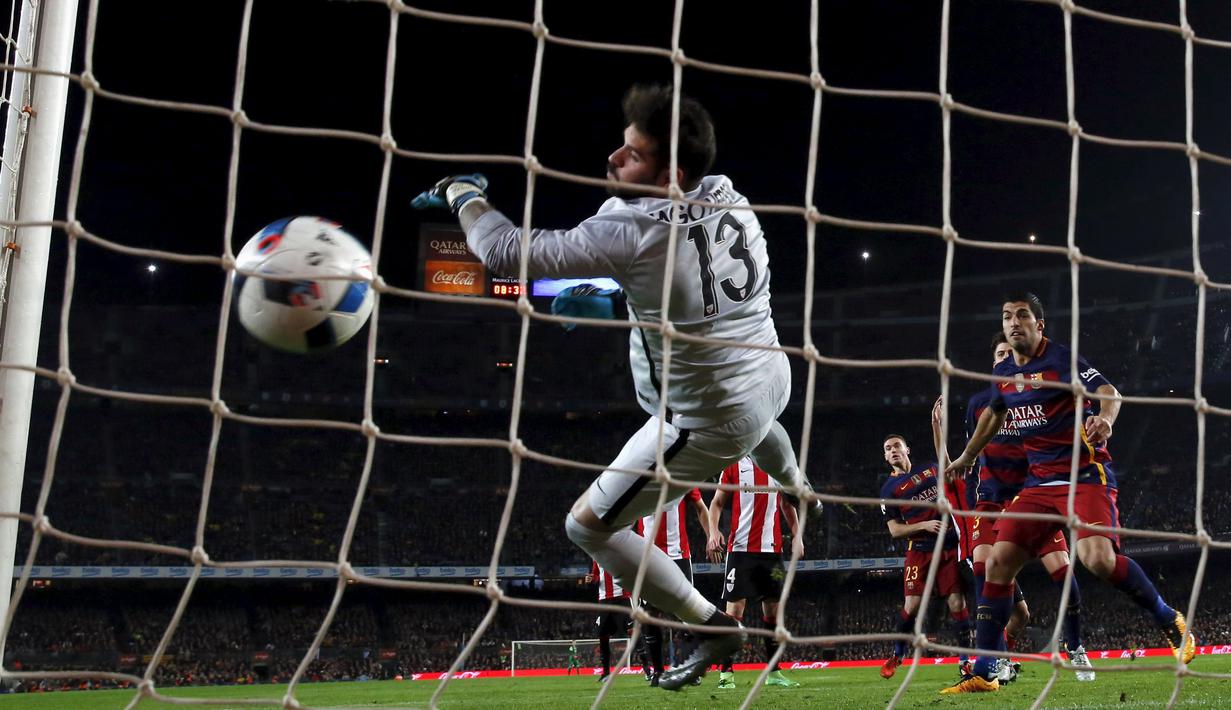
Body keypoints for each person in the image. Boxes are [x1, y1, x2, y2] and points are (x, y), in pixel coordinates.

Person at [413, 83, 819, 691]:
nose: (613, 158)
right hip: (771, 370)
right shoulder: (730, 195)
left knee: (587, 527)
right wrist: (623, 305)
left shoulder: (629, 230)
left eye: (631, 153)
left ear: (670, 173)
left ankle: (708, 625)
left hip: (704, 420)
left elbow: (501, 251)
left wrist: (463, 193)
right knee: (762, 427)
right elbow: (680, 285)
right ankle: (797, 485)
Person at [941, 293, 1196, 694]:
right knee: (997, 563)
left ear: (1039, 326)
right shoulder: (1005, 373)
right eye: (1007, 316)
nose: (1013, 322)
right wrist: (966, 457)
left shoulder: (1061, 360)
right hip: (1039, 486)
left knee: (1096, 560)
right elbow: (994, 413)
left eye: (1022, 316)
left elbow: (1110, 392)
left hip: (1084, 478)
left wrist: (1105, 421)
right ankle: (985, 672)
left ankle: (1169, 620)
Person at [937, 331, 1091, 684]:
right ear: (995, 363)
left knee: (1063, 573)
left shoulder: (1043, 395)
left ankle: (1076, 645)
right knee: (982, 569)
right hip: (990, 497)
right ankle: (993, 660)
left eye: (1011, 351)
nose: (1007, 357)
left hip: (1032, 495)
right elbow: (970, 455)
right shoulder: (981, 403)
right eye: (1000, 354)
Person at [877, 434, 972, 680]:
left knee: (957, 603)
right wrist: (924, 525)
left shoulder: (930, 468)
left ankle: (965, 661)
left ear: (907, 448)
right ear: (886, 457)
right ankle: (898, 654)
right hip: (919, 550)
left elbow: (953, 486)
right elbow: (894, 530)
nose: (893, 450)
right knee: (912, 606)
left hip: (950, 547)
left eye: (897, 445)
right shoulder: (888, 490)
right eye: (888, 449)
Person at [706, 457, 801, 689]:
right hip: (740, 550)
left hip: (772, 552)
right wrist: (713, 531)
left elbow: (787, 505)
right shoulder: (734, 465)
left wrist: (797, 534)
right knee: (734, 611)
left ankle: (774, 672)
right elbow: (717, 502)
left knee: (774, 611)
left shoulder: (776, 463)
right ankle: (726, 674)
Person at [633, 487, 715, 686]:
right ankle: (659, 672)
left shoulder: (683, 473)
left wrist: (710, 535)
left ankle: (689, 669)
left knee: (689, 612)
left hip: (679, 555)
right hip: (648, 556)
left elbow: (702, 508)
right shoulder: (637, 477)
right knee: (650, 615)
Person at [586, 561, 633, 682]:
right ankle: (606, 672)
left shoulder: (619, 548)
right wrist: (592, 579)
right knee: (602, 635)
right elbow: (596, 576)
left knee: (632, 631)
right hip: (604, 600)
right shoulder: (595, 554)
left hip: (622, 597)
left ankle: (648, 669)